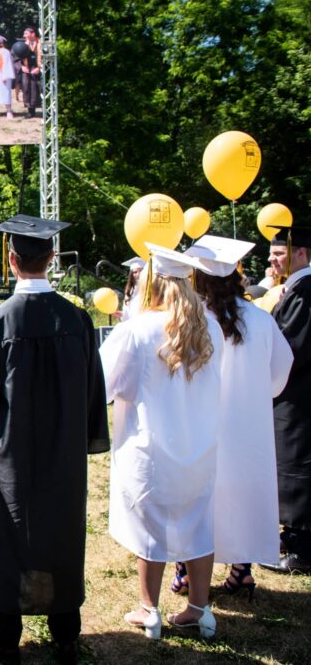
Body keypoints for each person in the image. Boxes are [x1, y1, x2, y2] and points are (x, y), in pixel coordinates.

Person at [0, 216, 109, 665]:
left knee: (8, 534)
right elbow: (94, 391)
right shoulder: (78, 321)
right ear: (52, 259)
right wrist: (88, 434)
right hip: (63, 454)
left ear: (11, 261)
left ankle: (5, 634)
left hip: (9, 456)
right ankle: (65, 633)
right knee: (61, 529)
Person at [100, 244, 223, 640]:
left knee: (149, 526)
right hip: (200, 442)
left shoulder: (137, 329)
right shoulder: (211, 327)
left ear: (149, 282)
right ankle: (200, 611)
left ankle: (149, 609)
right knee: (198, 523)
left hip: (150, 444)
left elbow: (103, 384)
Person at [184, 236, 294, 595]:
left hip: (200, 423)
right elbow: (281, 371)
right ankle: (241, 569)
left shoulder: (191, 320)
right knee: (243, 495)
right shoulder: (261, 320)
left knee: (196, 493)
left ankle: (185, 570)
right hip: (247, 426)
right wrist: (256, 396)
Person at [264, 226, 311, 573]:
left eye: (279, 253)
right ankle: (291, 537)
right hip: (292, 395)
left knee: (298, 465)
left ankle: (302, 548)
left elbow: (289, 347)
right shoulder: (295, 289)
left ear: (302, 253)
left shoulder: (306, 293)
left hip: (299, 397)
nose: (271, 258)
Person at [20, 27, 42, 118]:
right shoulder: (23, 45)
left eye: (26, 34)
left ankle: (44, 111)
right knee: (27, 88)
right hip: (27, 69)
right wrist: (22, 67)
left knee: (39, 89)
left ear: (33, 34)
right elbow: (18, 58)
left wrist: (39, 68)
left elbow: (46, 58)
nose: (24, 36)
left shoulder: (42, 43)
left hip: (39, 69)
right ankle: (30, 111)